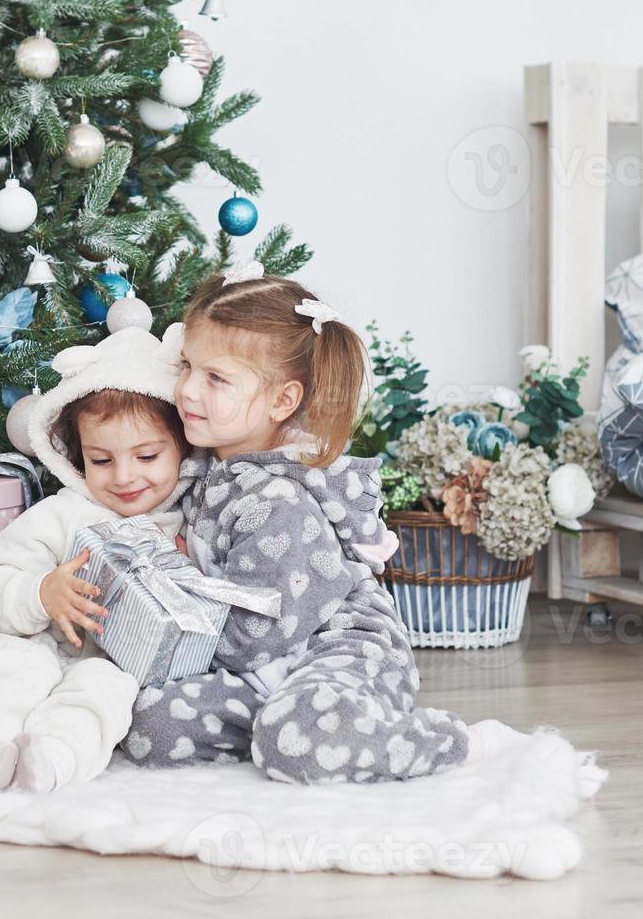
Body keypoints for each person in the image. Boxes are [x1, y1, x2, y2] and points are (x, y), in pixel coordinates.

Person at [122, 266, 524, 783]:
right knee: (147, 722)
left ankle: (458, 744)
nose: (187, 391)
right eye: (187, 367)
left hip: (337, 652)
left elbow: (262, 628)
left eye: (215, 378)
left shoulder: (277, 498)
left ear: (282, 400)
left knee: (299, 745)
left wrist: (181, 626)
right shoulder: (209, 467)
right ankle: (287, 724)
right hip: (261, 666)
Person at [0, 325, 196, 792]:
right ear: (78, 459)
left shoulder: (189, 527)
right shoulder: (62, 514)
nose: (125, 477)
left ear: (182, 449)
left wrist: (187, 575)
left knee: (106, 691)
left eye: (148, 455)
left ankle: (52, 761)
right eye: (102, 460)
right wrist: (39, 593)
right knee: (11, 671)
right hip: (29, 643)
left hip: (105, 662)